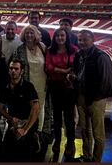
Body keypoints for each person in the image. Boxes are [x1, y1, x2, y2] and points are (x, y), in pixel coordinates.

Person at [73, 29, 112, 162]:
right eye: (80, 40)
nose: (82, 42)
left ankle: (96, 160)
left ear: (93, 40)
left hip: (96, 100)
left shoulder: (101, 56)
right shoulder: (79, 55)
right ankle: (87, 155)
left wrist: (96, 97)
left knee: (98, 134)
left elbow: (107, 81)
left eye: (85, 39)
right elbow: (78, 74)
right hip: (81, 97)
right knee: (84, 130)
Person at [0, 58, 40, 161]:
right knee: (5, 149)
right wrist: (11, 118)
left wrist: (25, 129)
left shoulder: (28, 87)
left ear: (22, 71)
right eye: (11, 68)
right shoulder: (5, 87)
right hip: (14, 122)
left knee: (23, 146)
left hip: (28, 122)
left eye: (16, 69)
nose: (13, 71)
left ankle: (35, 138)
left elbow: (36, 109)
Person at [45, 28, 78, 161]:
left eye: (62, 35)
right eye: (57, 36)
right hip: (55, 86)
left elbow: (76, 67)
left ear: (66, 37)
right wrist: (63, 70)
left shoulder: (74, 49)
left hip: (69, 87)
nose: (59, 38)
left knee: (69, 119)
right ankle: (57, 142)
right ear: (54, 38)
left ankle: (70, 142)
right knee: (57, 117)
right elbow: (48, 67)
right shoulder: (50, 50)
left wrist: (60, 71)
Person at [13, 24, 47, 132]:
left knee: (40, 107)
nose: (29, 35)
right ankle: (27, 129)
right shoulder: (20, 49)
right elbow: (16, 66)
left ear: (36, 34)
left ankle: (39, 131)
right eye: (27, 33)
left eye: (31, 33)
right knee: (28, 108)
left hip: (42, 82)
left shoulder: (42, 47)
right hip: (27, 83)